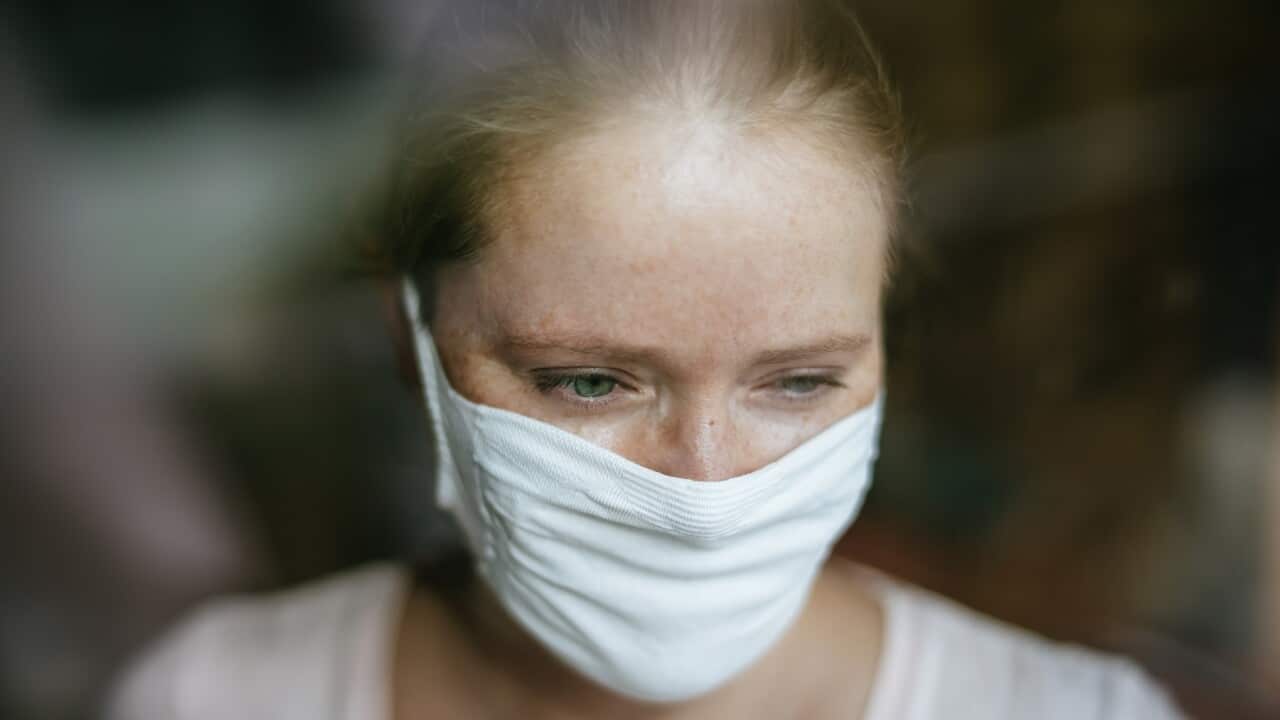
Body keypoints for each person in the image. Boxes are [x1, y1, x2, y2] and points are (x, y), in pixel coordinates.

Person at [107, 2, 1188, 718]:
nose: (704, 482)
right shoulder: (215, 698)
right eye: (588, 381)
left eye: (797, 381)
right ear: (413, 344)